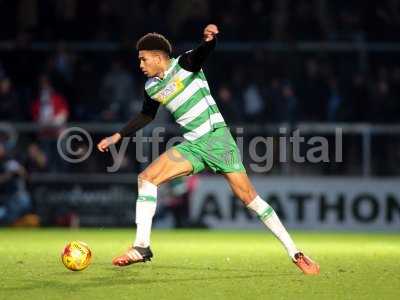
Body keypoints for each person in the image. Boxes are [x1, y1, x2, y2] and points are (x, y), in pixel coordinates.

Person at [97, 24, 320, 275]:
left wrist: (209, 39)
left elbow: (203, 52)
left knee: (250, 199)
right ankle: (142, 247)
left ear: (159, 57)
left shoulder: (185, 65)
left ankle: (295, 252)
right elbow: (146, 115)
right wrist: (118, 135)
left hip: (217, 140)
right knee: (147, 178)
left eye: (143, 59)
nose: (140, 64)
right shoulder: (152, 87)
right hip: (193, 146)